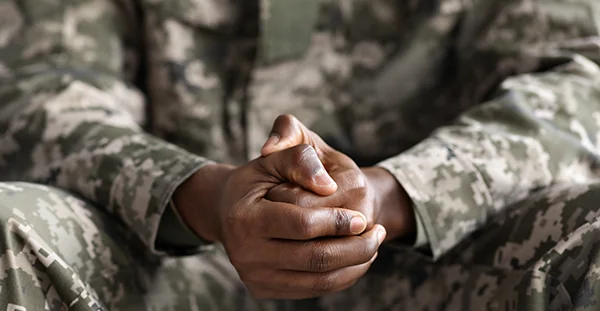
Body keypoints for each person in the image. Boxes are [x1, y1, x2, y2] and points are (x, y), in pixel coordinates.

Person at [0, 0, 600, 310]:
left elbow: (578, 81)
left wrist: (393, 194)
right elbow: (45, 88)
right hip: (168, 257)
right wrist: (204, 197)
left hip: (444, 256)